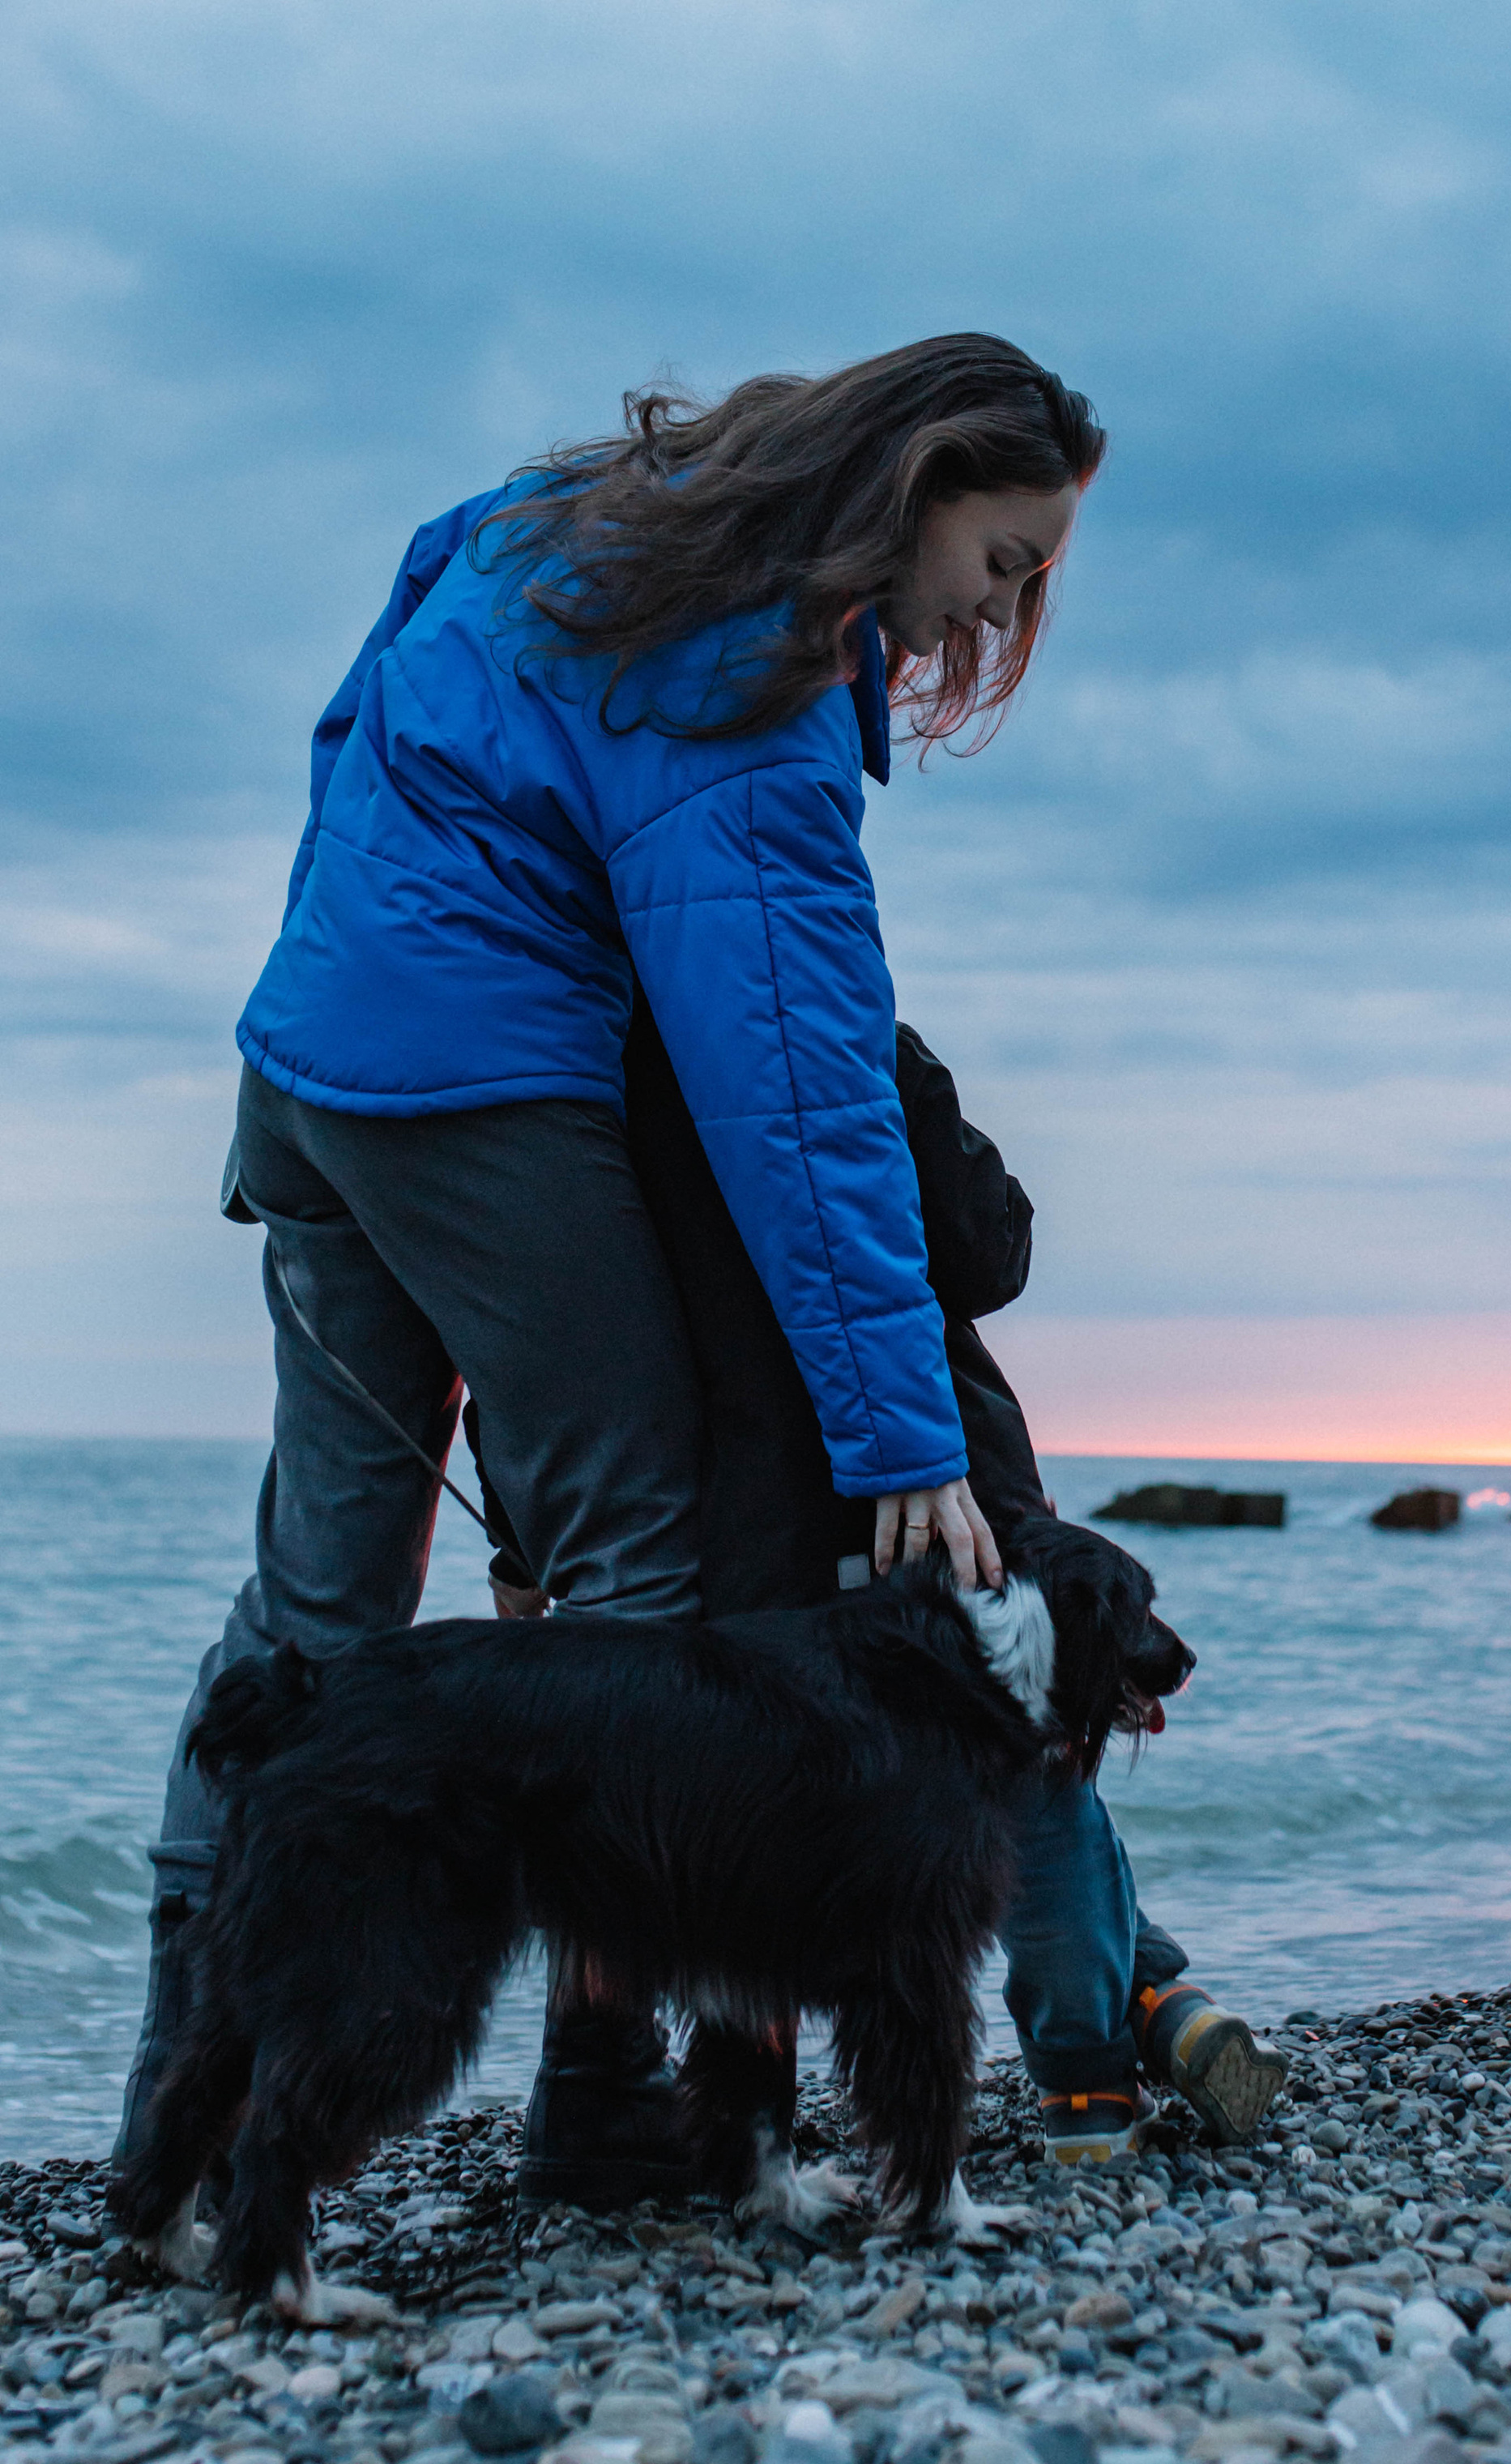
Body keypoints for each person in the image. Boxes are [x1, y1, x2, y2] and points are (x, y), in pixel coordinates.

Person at [112, 331, 1275, 2199]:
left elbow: (355, 721)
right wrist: (905, 1446)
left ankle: (177, 2131)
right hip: (480, 1088)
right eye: (1007, 556)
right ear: (909, 492)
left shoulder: (564, 519)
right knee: (635, 1547)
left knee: (317, 1614)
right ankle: (603, 2109)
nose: (1011, 602)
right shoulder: (757, 687)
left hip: (309, 1062)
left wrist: (328, 1005)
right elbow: (808, 1102)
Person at [466, 994, 1290, 2173]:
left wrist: (519, 1534)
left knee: (765, 1830)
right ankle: (1097, 2078)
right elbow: (990, 1249)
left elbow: (551, 1343)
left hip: (744, 1522)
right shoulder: (835, 1015)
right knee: (1032, 1782)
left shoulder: (591, 1065)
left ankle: (753, 2130)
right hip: (945, 1484)